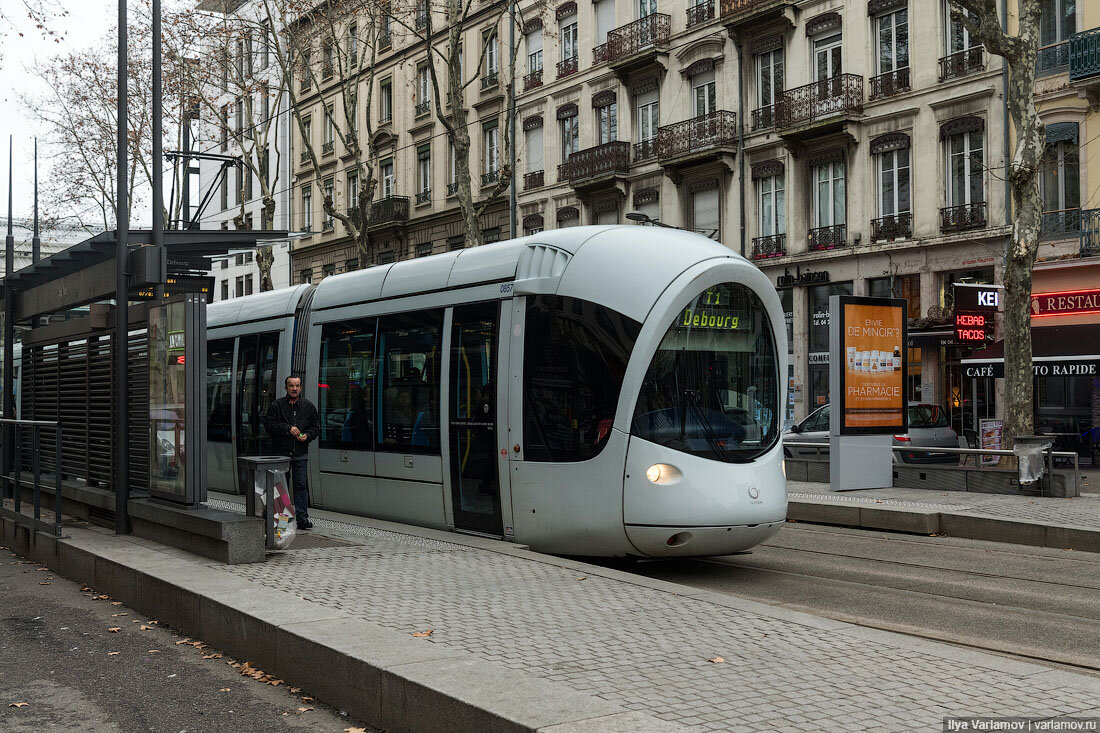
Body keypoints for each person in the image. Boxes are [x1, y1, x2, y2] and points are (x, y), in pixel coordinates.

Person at [264, 376, 320, 529]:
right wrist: (287, 429)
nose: (294, 389)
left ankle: (302, 519)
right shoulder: (277, 405)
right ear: (286, 388)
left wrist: (307, 436)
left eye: (297, 386)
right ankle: (283, 522)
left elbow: (315, 428)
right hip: (281, 454)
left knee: (301, 486)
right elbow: (269, 425)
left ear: (301, 388)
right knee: (282, 488)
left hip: (300, 454)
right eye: (291, 386)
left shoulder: (308, 407)